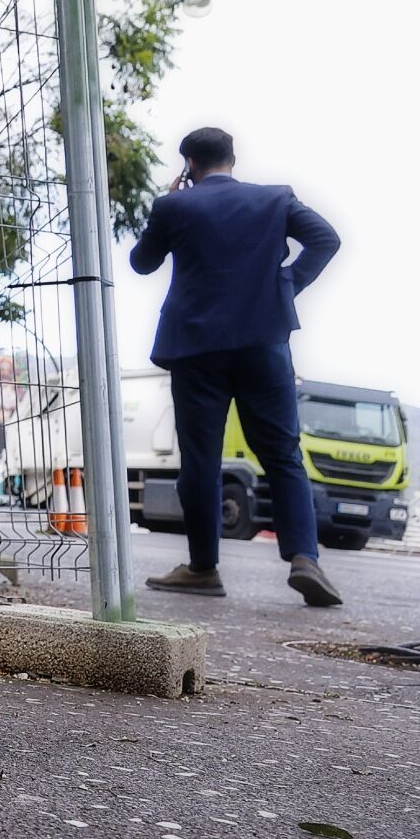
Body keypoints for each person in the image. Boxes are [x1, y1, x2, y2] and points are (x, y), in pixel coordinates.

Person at [128, 127, 343, 606]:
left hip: (196, 348)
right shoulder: (275, 199)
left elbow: (142, 263)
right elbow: (326, 239)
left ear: (189, 164)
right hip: (263, 343)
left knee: (201, 460)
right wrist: (285, 286)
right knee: (283, 454)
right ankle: (304, 557)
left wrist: (170, 202)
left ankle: (203, 568)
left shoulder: (175, 206)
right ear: (232, 158)